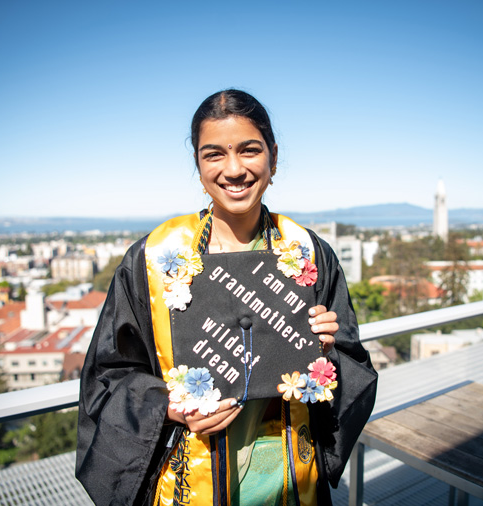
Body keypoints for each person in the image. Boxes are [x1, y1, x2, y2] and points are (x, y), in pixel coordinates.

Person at [76, 89, 377, 506]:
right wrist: (167, 407)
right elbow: (108, 375)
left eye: (249, 150)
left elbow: (354, 368)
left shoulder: (309, 254)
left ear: (272, 156)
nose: (233, 169)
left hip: (288, 483)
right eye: (214, 154)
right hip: (189, 478)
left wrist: (324, 353)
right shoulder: (153, 260)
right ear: (198, 166)